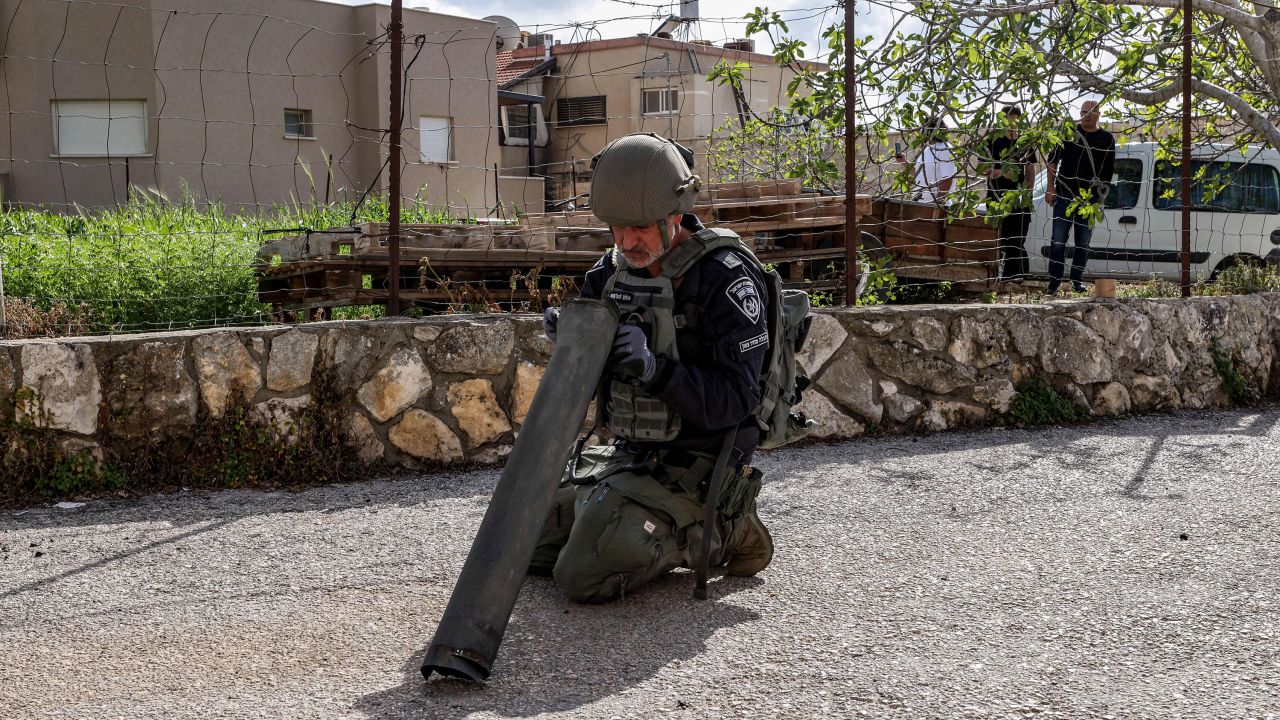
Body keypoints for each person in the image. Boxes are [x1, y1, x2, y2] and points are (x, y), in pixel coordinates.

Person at [533, 132, 774, 603]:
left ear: (675, 215)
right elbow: (587, 364)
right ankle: (614, 509)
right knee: (525, 547)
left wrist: (654, 369)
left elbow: (739, 400)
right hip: (634, 453)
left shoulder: (724, 279)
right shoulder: (614, 270)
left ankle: (727, 527)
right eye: (616, 230)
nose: (626, 241)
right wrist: (572, 339)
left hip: (700, 463)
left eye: (639, 229)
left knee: (580, 576)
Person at [1045, 100, 1116, 294]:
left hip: (1089, 200)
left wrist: (1101, 195)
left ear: (1099, 114)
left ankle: (1076, 280)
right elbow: (1052, 161)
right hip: (1064, 194)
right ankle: (1054, 282)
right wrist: (1050, 187)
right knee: (1057, 240)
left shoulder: (1107, 139)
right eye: (1084, 111)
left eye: (1092, 112)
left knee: (1083, 242)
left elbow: (1108, 172)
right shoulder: (1068, 133)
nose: (1087, 115)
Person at [987, 105, 1037, 280]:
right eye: (1009, 118)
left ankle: (1015, 277)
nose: (1012, 122)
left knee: (1018, 238)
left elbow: (1030, 168)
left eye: (1016, 118)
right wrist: (1002, 173)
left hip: (1020, 199)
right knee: (1000, 239)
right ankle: (996, 278)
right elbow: (982, 168)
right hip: (997, 197)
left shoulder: (1025, 141)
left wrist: (1029, 192)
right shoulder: (992, 140)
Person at [896, 118, 955, 205]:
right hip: (921, 204)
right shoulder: (927, 148)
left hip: (935, 208)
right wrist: (904, 162)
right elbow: (918, 173)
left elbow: (947, 180)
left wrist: (936, 204)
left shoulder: (945, 149)